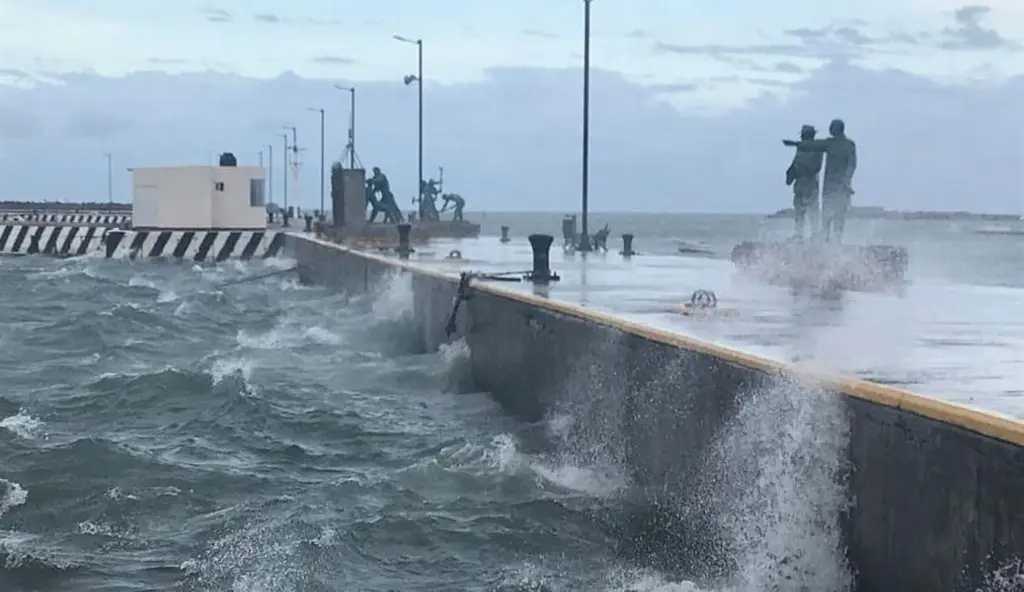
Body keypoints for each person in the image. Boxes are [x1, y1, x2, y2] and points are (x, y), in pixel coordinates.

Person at [783, 119, 856, 242]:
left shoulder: (843, 145)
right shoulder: (831, 143)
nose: (830, 129)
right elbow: (810, 145)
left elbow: (851, 165)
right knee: (827, 214)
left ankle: (834, 239)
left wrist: (846, 180)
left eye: (831, 127)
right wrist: (796, 144)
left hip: (839, 185)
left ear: (837, 129)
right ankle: (826, 238)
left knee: (837, 213)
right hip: (830, 185)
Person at [784, 125, 823, 240]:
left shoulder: (816, 148)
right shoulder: (801, 148)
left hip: (810, 183)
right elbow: (796, 161)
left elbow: (816, 166)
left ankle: (814, 233)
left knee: (812, 210)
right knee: (799, 210)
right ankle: (799, 233)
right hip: (800, 184)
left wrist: (801, 169)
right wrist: (791, 172)